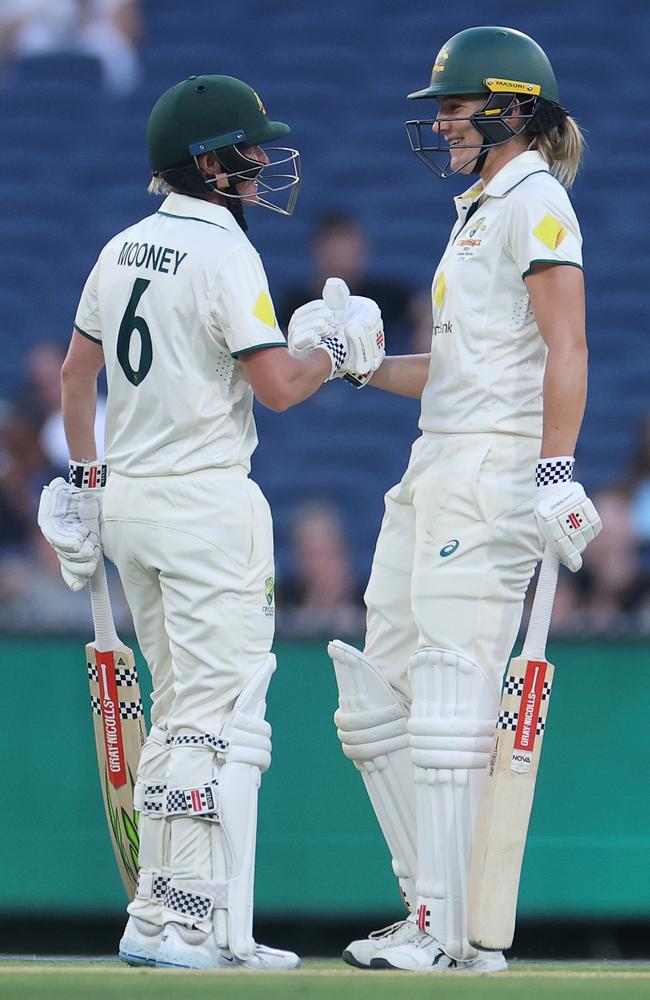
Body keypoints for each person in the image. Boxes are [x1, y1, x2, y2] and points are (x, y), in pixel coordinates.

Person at [36, 73, 384, 970]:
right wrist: (335, 352)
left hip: (130, 504)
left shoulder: (121, 248)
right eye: (250, 148)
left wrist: (81, 482)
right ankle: (193, 922)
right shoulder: (224, 251)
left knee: (176, 700)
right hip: (203, 504)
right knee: (215, 713)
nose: (264, 160)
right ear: (211, 163)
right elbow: (276, 387)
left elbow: (79, 377)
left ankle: (158, 911)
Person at [291, 26, 603, 973]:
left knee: (447, 693)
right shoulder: (478, 210)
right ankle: (438, 910)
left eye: (458, 110)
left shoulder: (536, 202)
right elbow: (461, 370)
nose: (445, 125)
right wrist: (365, 364)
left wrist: (555, 470)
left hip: (495, 472)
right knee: (373, 700)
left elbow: (570, 346)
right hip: (435, 464)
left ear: (509, 110)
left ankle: (441, 926)